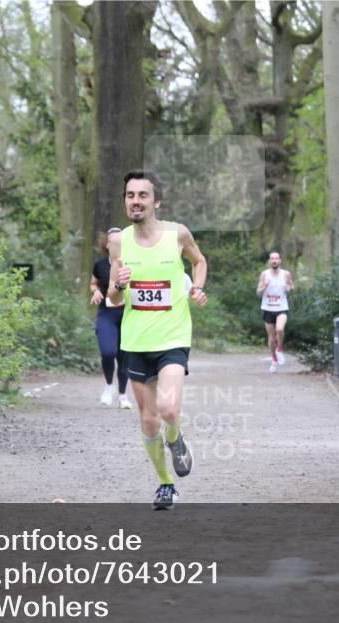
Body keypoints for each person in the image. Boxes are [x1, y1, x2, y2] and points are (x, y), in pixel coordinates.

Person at [107, 169, 208, 510]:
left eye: (142, 195)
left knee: (168, 409)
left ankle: (175, 438)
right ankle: (166, 483)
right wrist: (118, 284)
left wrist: (197, 287)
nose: (135, 201)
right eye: (130, 195)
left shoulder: (177, 234)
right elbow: (114, 298)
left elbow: (199, 261)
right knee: (149, 420)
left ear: (156, 202)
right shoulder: (118, 242)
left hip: (173, 336)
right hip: (136, 341)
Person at [90, 228, 131, 409]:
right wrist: (96, 291)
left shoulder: (132, 263)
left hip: (128, 314)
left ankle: (123, 395)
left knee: (124, 356)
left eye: (120, 240)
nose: (116, 244)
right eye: (112, 240)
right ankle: (109, 385)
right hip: (107, 314)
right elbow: (93, 283)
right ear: (107, 244)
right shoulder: (100, 265)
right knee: (108, 352)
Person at [257, 251, 293, 373]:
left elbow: (291, 287)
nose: (274, 261)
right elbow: (258, 292)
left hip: (281, 308)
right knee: (271, 338)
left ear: (280, 260)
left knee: (280, 329)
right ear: (269, 261)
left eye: (276, 258)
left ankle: (280, 349)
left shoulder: (286, 274)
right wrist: (264, 286)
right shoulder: (264, 274)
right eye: (272, 259)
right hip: (267, 309)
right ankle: (274, 359)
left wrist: (289, 288)